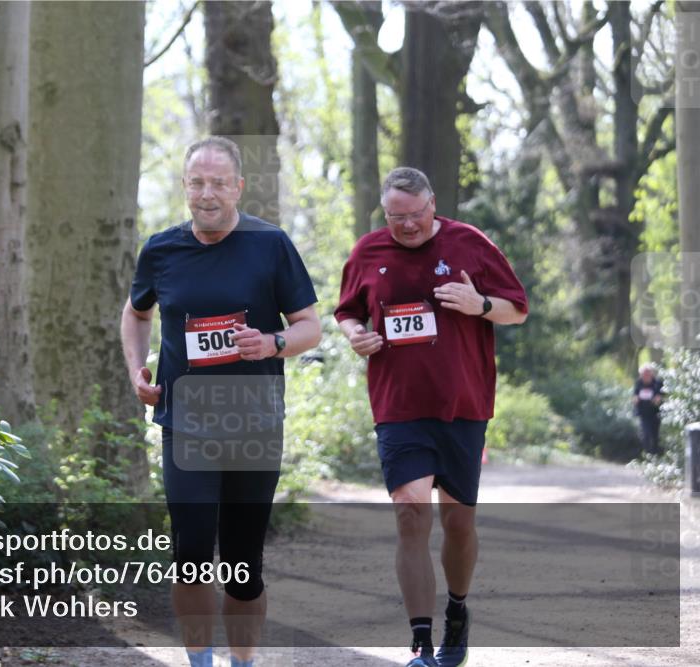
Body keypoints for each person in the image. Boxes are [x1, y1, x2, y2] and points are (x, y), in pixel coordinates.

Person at [120, 136, 321, 667]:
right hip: (186, 422)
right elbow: (136, 312)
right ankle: (200, 662)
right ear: (185, 186)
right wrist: (136, 370)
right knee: (189, 554)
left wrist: (273, 342)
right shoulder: (162, 249)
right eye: (196, 182)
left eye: (217, 183)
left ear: (238, 187)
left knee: (242, 562)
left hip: (253, 423)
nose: (206, 194)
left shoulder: (270, 244)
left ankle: (242, 662)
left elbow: (310, 327)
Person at [334, 167, 528, 667]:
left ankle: (457, 611)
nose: (408, 226)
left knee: (458, 523)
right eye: (397, 217)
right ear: (385, 213)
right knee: (409, 514)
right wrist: (356, 335)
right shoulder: (368, 252)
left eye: (417, 215)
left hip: (462, 404)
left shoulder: (470, 243)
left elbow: (518, 309)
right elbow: (346, 312)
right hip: (398, 406)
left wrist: (479, 303)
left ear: (432, 204)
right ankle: (420, 642)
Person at [632, 363, 664, 456]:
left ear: (651, 374)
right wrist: (635, 399)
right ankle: (647, 454)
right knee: (646, 434)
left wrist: (658, 399)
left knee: (655, 435)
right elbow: (635, 396)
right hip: (643, 414)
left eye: (647, 374)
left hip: (655, 413)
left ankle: (655, 455)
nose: (645, 376)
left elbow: (661, 397)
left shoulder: (658, 383)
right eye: (643, 374)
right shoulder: (638, 383)